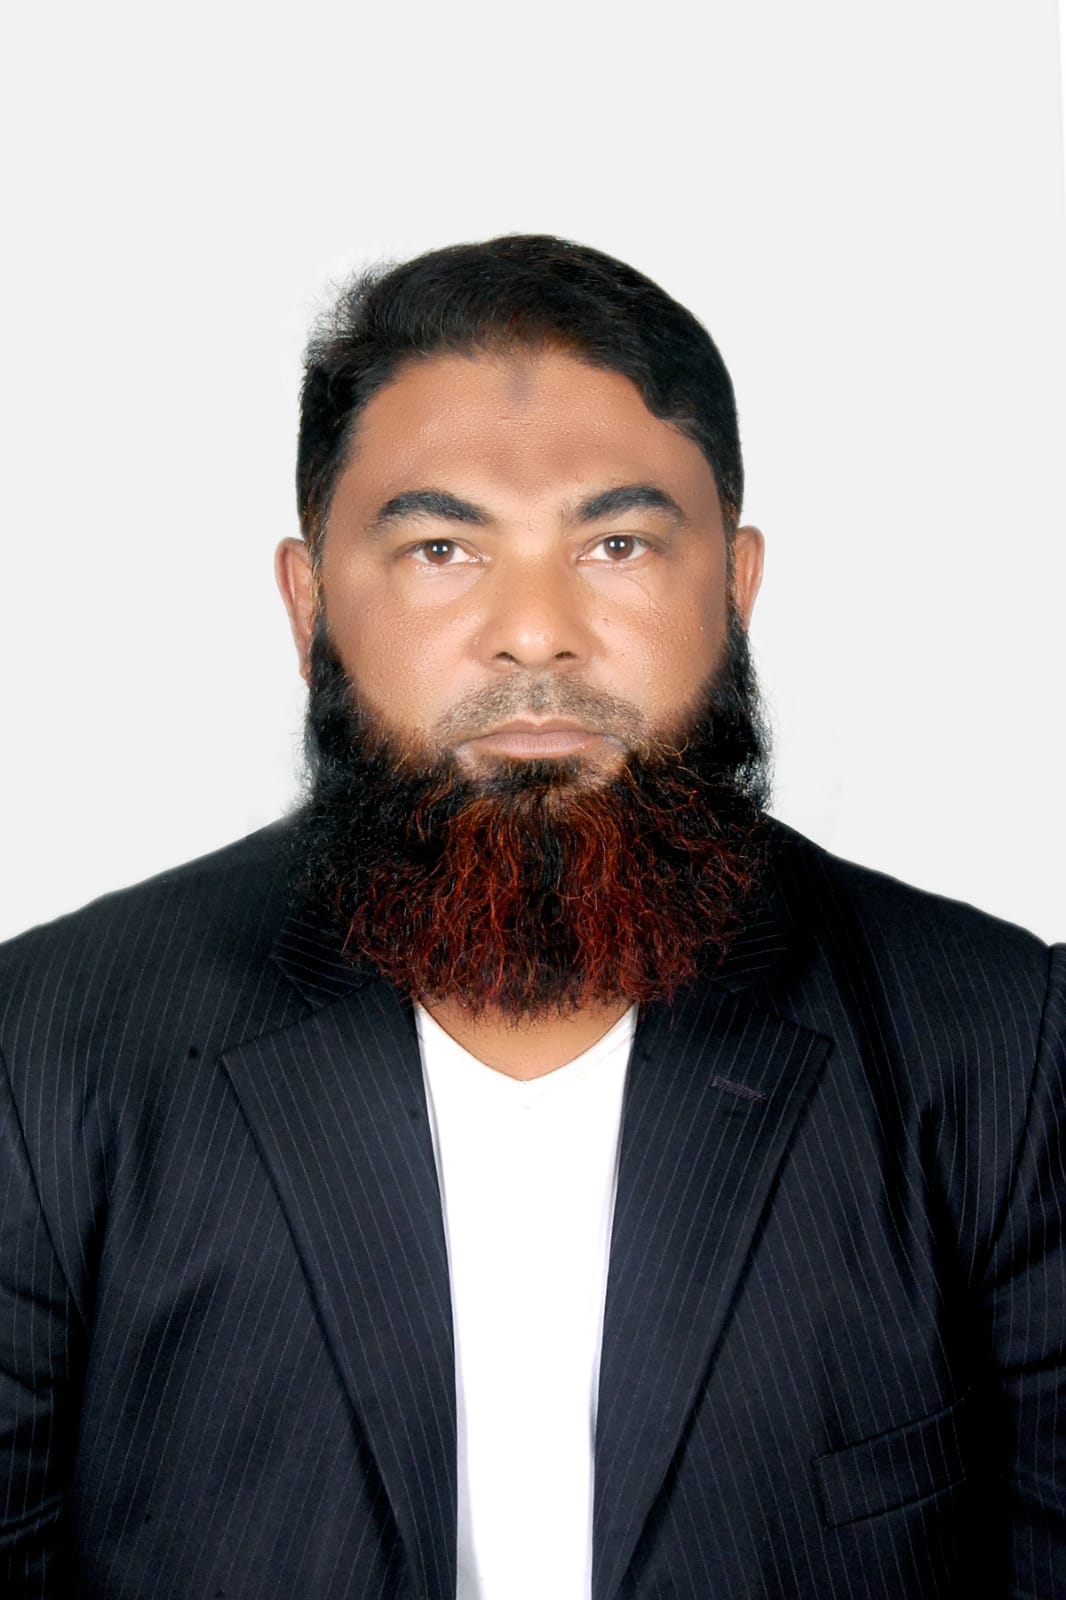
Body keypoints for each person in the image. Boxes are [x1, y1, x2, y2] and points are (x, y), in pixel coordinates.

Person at [0, 235, 1062, 1600]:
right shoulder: (46, 1051)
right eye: (442, 549)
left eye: (616, 544)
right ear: (311, 605)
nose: (537, 631)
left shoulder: (1000, 1050)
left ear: (734, 589)